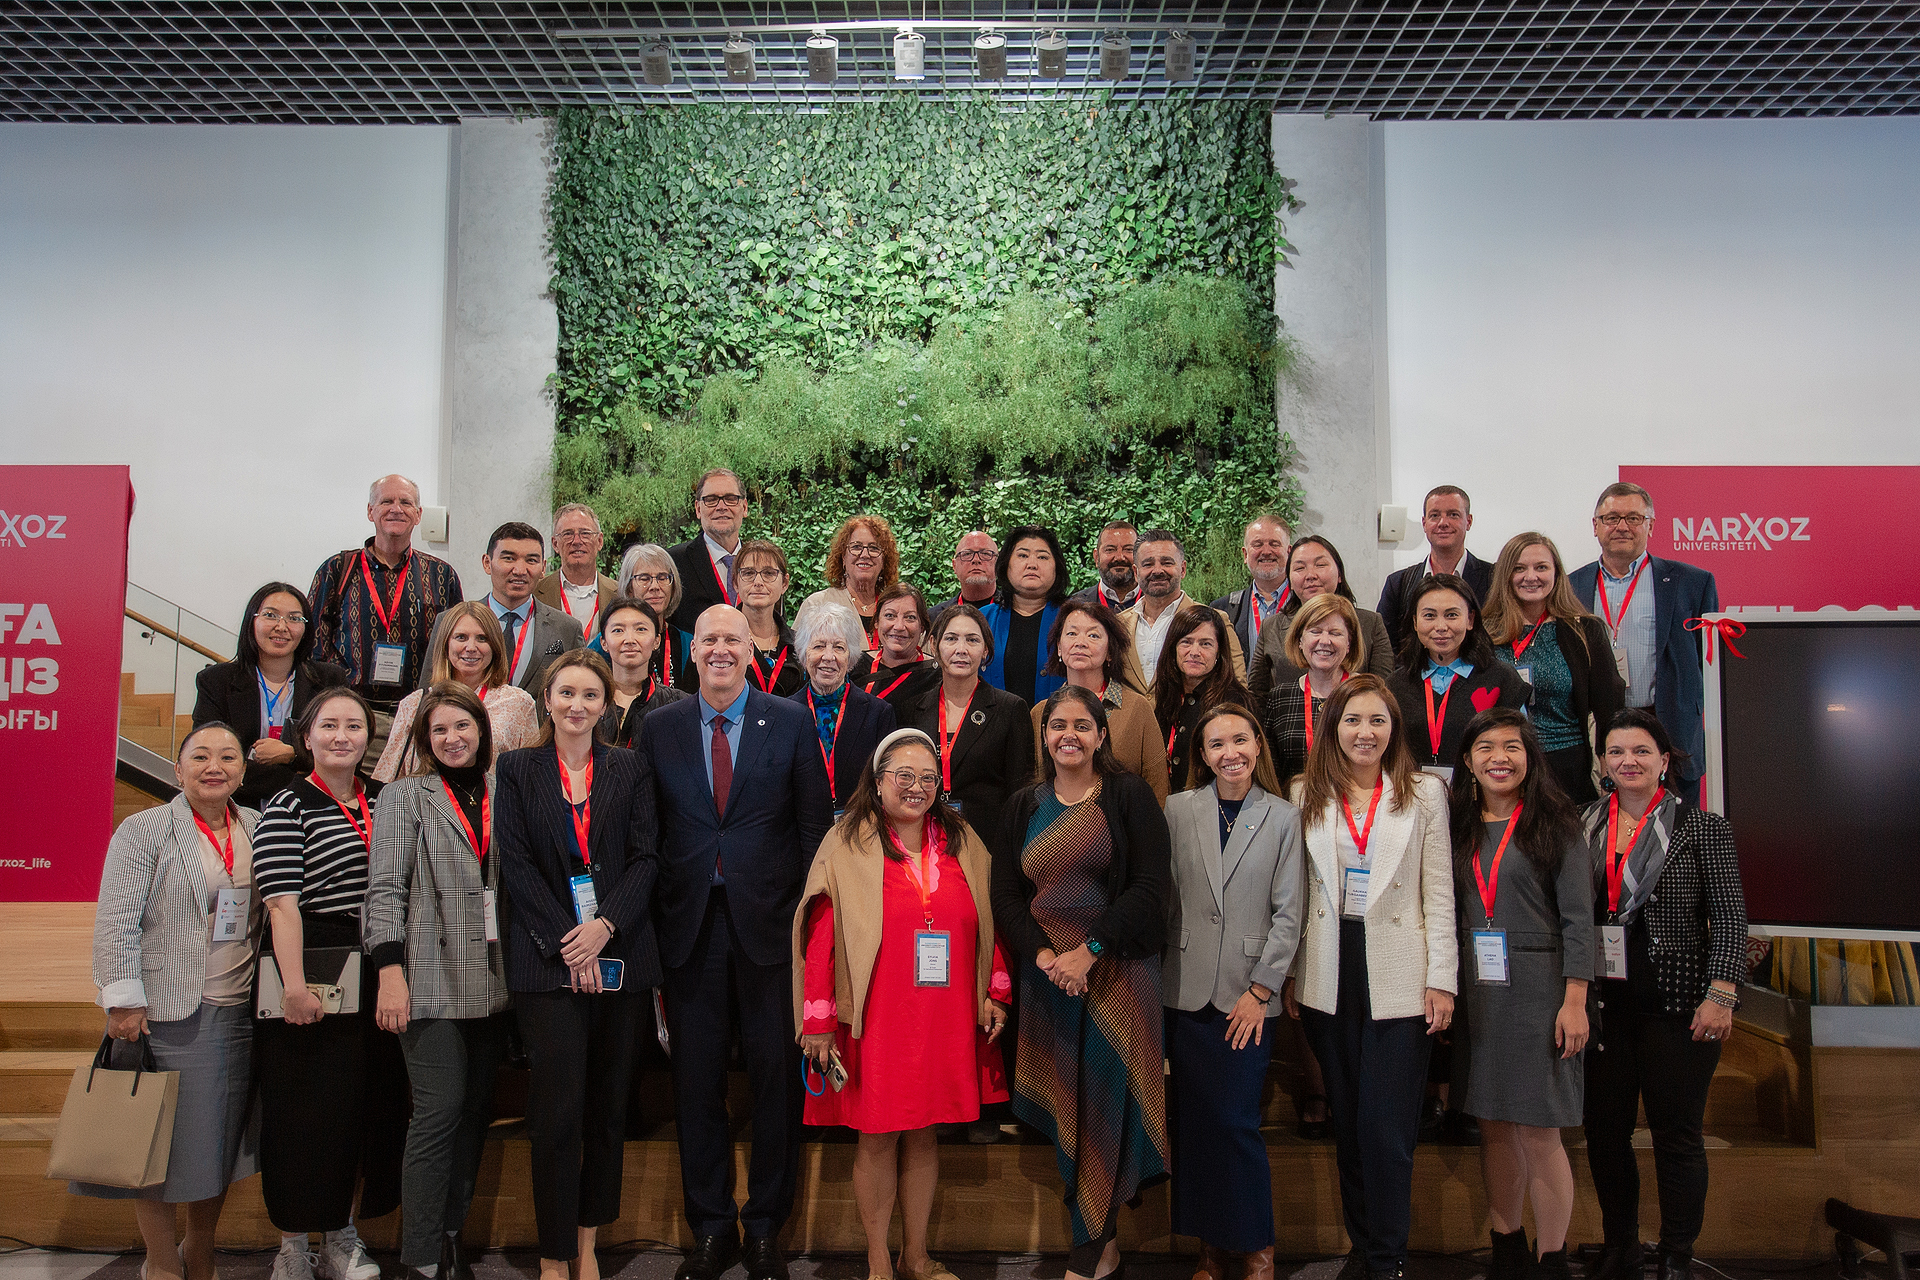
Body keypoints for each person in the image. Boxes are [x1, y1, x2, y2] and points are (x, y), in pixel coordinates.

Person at [636, 605, 833, 1280]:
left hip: (773, 931)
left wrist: (810, 929)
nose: (721, 649)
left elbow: (814, 833)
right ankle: (711, 1227)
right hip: (689, 930)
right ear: (692, 652)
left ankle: (767, 1228)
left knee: (778, 1084)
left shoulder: (791, 721)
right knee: (696, 1085)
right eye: (709, 640)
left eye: (733, 640)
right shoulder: (658, 728)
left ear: (753, 651)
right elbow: (646, 834)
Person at [793, 729, 1011, 1280]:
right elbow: (821, 934)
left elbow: (991, 919)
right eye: (904, 777)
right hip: (879, 1015)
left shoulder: (964, 840)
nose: (916, 788)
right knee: (878, 1134)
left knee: (925, 1132)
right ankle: (877, 1260)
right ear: (879, 780)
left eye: (927, 779)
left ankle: (915, 1256)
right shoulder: (847, 841)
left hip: (945, 1015)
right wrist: (817, 1020)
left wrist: (995, 990)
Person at [992, 685, 1172, 1279]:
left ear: (1101, 735)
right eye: (1057, 726)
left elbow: (1149, 888)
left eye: (1082, 725)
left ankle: (1089, 1251)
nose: (1068, 734)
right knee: (1073, 1111)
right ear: (1044, 738)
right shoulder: (1025, 803)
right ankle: (1103, 1243)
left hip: (1118, 977)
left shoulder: (1127, 795)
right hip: (1048, 982)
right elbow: (1007, 895)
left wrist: (1088, 951)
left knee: (1109, 1111)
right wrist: (1044, 956)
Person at [495, 650, 661, 1280]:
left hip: (619, 954)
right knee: (557, 1111)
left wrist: (604, 928)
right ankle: (554, 1250)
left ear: (604, 704)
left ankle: (589, 1240)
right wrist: (572, 940)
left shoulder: (629, 769)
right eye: (567, 693)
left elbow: (646, 858)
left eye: (591, 695)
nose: (578, 705)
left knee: (608, 1108)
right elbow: (517, 864)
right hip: (547, 962)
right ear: (547, 698)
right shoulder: (516, 771)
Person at [77, 723, 265, 1278]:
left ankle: (200, 1243)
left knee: (218, 1143)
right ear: (178, 769)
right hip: (165, 1011)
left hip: (240, 1011)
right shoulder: (144, 830)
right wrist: (123, 1001)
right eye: (200, 756)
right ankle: (160, 1256)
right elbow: (116, 923)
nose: (215, 766)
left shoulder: (256, 827)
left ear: (242, 770)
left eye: (228, 757)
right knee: (155, 1144)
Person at [1284, 675, 1455, 1280]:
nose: (1365, 732)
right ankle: (1364, 1248)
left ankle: (1389, 1257)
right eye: (1352, 720)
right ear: (1333, 727)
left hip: (1401, 972)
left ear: (1393, 729)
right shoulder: (1305, 790)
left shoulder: (1425, 793)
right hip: (1329, 969)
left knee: (1386, 1130)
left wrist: (1443, 979)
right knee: (1350, 1124)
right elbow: (1298, 897)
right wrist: (1290, 977)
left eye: (1376, 721)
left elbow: (1439, 892)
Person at [1581, 710, 1748, 1280]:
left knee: (1677, 1135)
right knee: (1605, 1134)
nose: (1628, 761)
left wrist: (1722, 993)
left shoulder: (1702, 827)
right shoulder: (1584, 823)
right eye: (1616, 751)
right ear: (1603, 762)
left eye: (1641, 751)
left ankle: (1677, 1254)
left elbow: (1729, 918)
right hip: (1603, 1006)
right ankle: (1621, 1247)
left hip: (1680, 1005)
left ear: (1664, 760)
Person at [251, 689, 403, 1280]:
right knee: (298, 1110)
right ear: (305, 737)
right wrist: (293, 986)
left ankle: (341, 1236)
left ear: (370, 737)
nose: (343, 736)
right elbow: (281, 905)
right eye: (329, 726)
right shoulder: (286, 803)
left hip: (372, 965)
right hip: (307, 958)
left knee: (355, 1107)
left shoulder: (383, 800)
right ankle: (292, 1245)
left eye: (355, 726)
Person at [365, 682, 514, 1280]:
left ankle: (451, 1232)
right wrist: (390, 973)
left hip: (495, 975)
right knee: (437, 1112)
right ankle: (421, 1256)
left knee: (476, 1110)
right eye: (440, 730)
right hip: (425, 975)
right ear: (426, 741)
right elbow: (384, 891)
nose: (454, 739)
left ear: (483, 731)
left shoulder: (510, 791)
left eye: (463, 727)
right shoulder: (404, 797)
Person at [1447, 710, 1594, 1280]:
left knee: (1539, 1130)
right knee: (1492, 1124)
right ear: (1468, 760)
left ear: (1530, 758)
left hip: (1542, 991)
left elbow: (1580, 920)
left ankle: (1551, 1257)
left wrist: (1575, 998)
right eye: (1485, 747)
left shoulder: (1556, 824)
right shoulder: (1458, 823)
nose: (1498, 758)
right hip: (1478, 991)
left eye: (1512, 747)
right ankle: (1506, 1246)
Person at [1163, 705, 1304, 1280]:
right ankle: (1212, 1248)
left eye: (1240, 740)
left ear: (1257, 744)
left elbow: (1289, 913)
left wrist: (1263, 989)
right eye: (1217, 744)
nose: (1231, 753)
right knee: (1194, 1125)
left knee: (1237, 1124)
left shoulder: (1283, 817)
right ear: (1202, 754)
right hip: (1185, 990)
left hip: (1247, 996)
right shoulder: (1177, 809)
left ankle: (1257, 1246)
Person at [902, 601, 1037, 1145]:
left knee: (985, 970)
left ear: (987, 651)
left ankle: (984, 1098)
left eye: (971, 640)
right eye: (950, 638)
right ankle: (932, 1091)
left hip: (986, 856)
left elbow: (1022, 790)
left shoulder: (1009, 708)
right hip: (922, 854)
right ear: (933, 646)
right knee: (931, 974)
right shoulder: (911, 705)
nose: (960, 649)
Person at [1569, 482, 1721, 806]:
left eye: (1634, 518)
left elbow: (1705, 663)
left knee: (1677, 841)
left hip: (1670, 732)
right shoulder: (1570, 586)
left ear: (1651, 526)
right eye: (1611, 518)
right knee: (1607, 838)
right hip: (1601, 734)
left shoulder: (1693, 583)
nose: (1622, 526)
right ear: (1595, 526)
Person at [307, 474, 464, 764]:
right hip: (354, 715)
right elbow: (314, 643)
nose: (396, 508)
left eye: (406, 502)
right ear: (370, 511)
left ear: (418, 514)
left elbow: (456, 646)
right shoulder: (337, 568)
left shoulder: (442, 575)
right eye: (386, 501)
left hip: (419, 717)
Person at [1483, 533, 1624, 804]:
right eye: (1519, 568)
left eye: (1541, 567)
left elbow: (1609, 709)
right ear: (1505, 575)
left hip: (1568, 767)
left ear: (1557, 574)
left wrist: (1611, 775)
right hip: (1503, 766)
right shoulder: (1484, 633)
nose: (1531, 576)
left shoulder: (1585, 631)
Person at [192, 582, 348, 808]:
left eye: (294, 618)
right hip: (236, 808)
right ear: (251, 621)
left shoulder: (330, 681)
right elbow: (208, 755)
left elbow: (345, 753)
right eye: (270, 615)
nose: (282, 627)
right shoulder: (216, 682)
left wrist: (292, 754)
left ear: (306, 628)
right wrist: (304, 769)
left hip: (312, 808)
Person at [373, 602, 539, 782]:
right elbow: (387, 778)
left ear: (495, 645)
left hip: (490, 807)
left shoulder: (518, 703)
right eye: (461, 637)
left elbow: (531, 778)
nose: (471, 647)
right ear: (445, 643)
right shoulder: (414, 705)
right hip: (424, 808)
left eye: (482, 638)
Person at [1386, 573, 1531, 777]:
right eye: (1429, 616)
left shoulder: (1502, 679)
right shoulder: (1395, 685)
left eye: (1452, 615)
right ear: (1415, 622)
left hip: (1481, 798)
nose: (1441, 627)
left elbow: (1521, 748)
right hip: (1413, 797)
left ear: (1470, 619)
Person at [422, 522, 585, 699]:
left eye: (531, 560)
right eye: (509, 558)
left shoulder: (567, 629)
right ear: (487, 563)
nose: (520, 570)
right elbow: (429, 691)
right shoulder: (450, 622)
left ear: (543, 568)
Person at [1031, 599, 1171, 804]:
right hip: (1056, 828)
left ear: (1110, 652)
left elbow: (1157, 786)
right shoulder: (1041, 712)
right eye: (1071, 633)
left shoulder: (1136, 707)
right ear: (1059, 647)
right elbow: (1036, 785)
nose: (1081, 642)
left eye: (1093, 635)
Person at [1247, 536, 1395, 699]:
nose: (1310, 575)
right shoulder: (1272, 627)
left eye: (1320, 565)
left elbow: (1384, 691)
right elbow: (1257, 695)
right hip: (1289, 721)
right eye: (1300, 568)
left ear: (1339, 574)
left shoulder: (1370, 623)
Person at [792, 603, 897, 817]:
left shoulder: (879, 714)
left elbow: (885, 786)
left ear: (850, 658)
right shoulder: (784, 713)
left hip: (860, 829)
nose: (828, 657)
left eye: (839, 647)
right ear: (804, 654)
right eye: (819, 646)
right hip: (800, 833)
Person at [1114, 530, 1244, 694]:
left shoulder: (1215, 621)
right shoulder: (1117, 625)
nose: (1157, 570)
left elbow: (1237, 688)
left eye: (1167, 563)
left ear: (1182, 569)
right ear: (1136, 572)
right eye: (1148, 564)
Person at [1263, 593, 1367, 790]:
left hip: (1357, 811)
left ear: (1349, 642)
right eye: (1315, 631)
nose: (1324, 641)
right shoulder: (1279, 698)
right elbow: (1272, 770)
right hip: (1295, 810)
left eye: (1335, 633)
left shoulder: (1367, 696)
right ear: (1300, 640)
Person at [1377, 485, 1496, 652]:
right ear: (1424, 523)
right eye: (1434, 516)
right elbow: (1386, 647)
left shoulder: (1495, 579)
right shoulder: (1398, 584)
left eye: (1453, 515)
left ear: (1468, 521)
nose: (1443, 523)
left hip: (1482, 676)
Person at [1152, 606, 1251, 793]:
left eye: (1205, 644)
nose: (1194, 652)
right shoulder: (1167, 696)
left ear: (1218, 653)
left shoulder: (1234, 702)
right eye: (1186, 642)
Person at [979, 525, 1071, 707]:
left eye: (1043, 557)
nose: (1032, 564)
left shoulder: (1073, 619)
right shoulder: (983, 620)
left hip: (1057, 728)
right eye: (1022, 555)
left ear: (1057, 567)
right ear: (1006, 564)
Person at [667, 468, 750, 636]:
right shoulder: (673, 562)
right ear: (698, 509)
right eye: (711, 500)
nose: (721, 507)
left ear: (745, 507)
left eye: (730, 499)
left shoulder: (764, 565)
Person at [598, 599, 689, 749]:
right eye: (618, 630)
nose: (629, 640)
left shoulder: (679, 704)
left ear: (656, 641)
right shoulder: (587, 701)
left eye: (640, 629)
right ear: (603, 643)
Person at [603, 542, 693, 692]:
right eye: (644, 578)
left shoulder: (687, 642)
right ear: (629, 587)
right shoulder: (611, 639)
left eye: (662, 577)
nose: (655, 586)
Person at [1211, 514, 1294, 677]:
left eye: (1274, 544)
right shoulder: (1222, 610)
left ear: (1289, 552)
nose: (1266, 551)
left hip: (1294, 700)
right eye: (1257, 545)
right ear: (1245, 554)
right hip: (1241, 701)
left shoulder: (1308, 606)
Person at [803, 515, 903, 646]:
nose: (865, 555)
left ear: (884, 561)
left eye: (874, 548)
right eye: (856, 547)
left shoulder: (897, 607)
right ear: (843, 557)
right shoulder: (817, 604)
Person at [535, 502, 617, 642]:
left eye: (585, 533)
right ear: (555, 544)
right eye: (568, 534)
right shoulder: (535, 593)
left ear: (600, 541)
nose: (577, 541)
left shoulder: (620, 593)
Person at [734, 539, 805, 699]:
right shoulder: (718, 643)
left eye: (768, 573)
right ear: (735, 582)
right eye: (748, 573)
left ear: (784, 583)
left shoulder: (800, 645)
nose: (758, 582)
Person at [853, 583, 940, 712]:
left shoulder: (936, 676)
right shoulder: (855, 665)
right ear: (877, 621)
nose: (899, 626)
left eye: (910, 617)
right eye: (890, 616)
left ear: (922, 627)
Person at [1068, 520, 1139, 614]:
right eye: (1110, 550)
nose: (1119, 557)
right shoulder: (1075, 605)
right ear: (1096, 557)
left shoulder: (1157, 602)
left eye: (1128, 549)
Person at [932, 529, 998, 617]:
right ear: (954, 566)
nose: (976, 560)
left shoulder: (1015, 612)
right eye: (967, 554)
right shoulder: (935, 617)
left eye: (985, 554)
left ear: (998, 564)